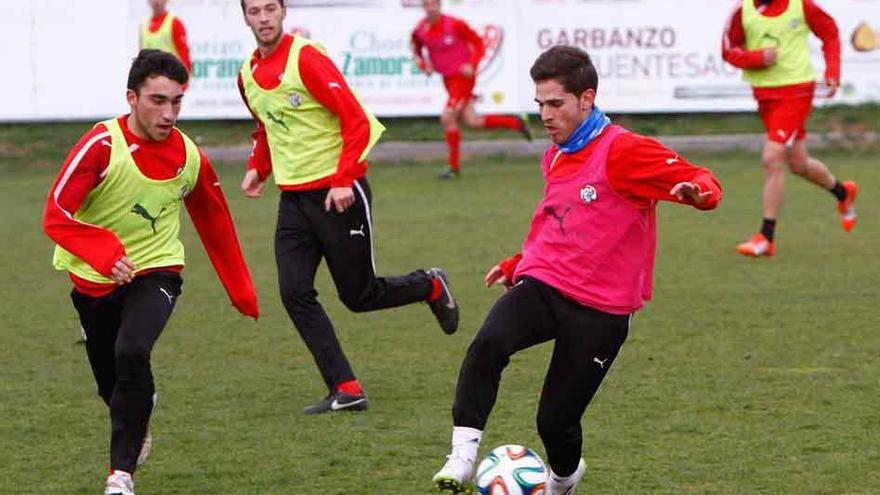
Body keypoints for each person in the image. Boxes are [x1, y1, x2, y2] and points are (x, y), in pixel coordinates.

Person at [431, 46, 723, 495]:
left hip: (602, 311)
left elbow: (703, 179)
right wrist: (518, 263)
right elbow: (557, 219)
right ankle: (462, 457)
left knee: (555, 421)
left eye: (555, 104)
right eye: (540, 104)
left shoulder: (623, 151)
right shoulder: (556, 155)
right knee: (488, 343)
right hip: (547, 284)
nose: (545, 115)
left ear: (586, 99)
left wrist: (699, 193)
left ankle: (564, 481)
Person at [43, 49, 259, 495]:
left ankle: (119, 477)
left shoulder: (189, 156)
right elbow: (55, 214)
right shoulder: (101, 146)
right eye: (158, 100)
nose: (168, 113)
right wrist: (103, 252)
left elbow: (215, 219)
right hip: (93, 279)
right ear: (131, 97)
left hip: (157, 270)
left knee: (132, 351)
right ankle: (140, 408)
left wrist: (240, 288)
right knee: (114, 384)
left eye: (177, 102)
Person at [237, 0, 459, 415]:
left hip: (338, 193)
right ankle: (346, 386)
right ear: (245, 17)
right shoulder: (246, 74)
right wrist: (258, 167)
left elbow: (355, 119)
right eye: (254, 11)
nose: (263, 18)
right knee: (293, 292)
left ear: (283, 11)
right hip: (294, 202)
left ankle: (429, 284)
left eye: (271, 8)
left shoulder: (306, 59)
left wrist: (343, 179)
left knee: (359, 296)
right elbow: (267, 126)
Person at [722, 0, 858, 258]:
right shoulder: (743, 9)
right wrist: (757, 58)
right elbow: (728, 50)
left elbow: (830, 32)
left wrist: (833, 71)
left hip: (797, 91)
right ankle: (843, 192)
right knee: (799, 163)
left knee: (772, 157)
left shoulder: (801, 5)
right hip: (765, 95)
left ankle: (766, 237)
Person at [411, 0, 532, 179]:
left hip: (463, 78)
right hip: (448, 79)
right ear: (423, 7)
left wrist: (472, 64)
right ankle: (516, 123)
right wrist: (424, 65)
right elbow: (416, 50)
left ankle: (453, 167)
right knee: (472, 121)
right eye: (427, 5)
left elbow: (479, 43)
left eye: (434, 4)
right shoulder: (420, 30)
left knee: (447, 116)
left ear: (439, 5)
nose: (430, 8)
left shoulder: (455, 24)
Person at [140, 0, 192, 75]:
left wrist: (183, 84)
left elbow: (184, 56)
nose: (156, 1)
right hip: (151, 82)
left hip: (171, 80)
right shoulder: (143, 26)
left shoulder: (175, 23)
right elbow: (141, 59)